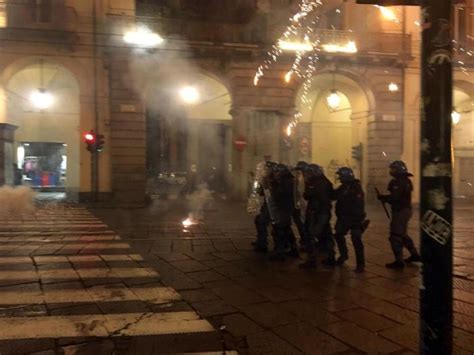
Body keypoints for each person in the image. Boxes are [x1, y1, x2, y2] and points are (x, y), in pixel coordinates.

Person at [377, 160, 421, 269]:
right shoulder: (405, 181)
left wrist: (384, 198)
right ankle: (415, 254)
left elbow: (394, 198)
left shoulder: (399, 182)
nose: (391, 171)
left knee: (395, 236)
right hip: (405, 210)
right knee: (402, 234)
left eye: (393, 169)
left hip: (400, 211)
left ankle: (399, 261)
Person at [331, 167, 369, 273]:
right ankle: (343, 255)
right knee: (338, 235)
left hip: (354, 218)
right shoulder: (343, 187)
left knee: (356, 240)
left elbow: (358, 205)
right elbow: (334, 195)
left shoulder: (356, 188)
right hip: (343, 217)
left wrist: (357, 220)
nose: (339, 178)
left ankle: (360, 264)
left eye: (341, 176)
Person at [299, 164, 335, 269]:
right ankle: (331, 257)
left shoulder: (316, 183)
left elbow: (308, 195)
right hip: (324, 212)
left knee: (311, 235)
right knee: (326, 235)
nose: (307, 175)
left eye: (308, 173)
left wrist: (307, 185)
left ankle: (312, 260)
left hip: (317, 212)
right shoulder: (325, 182)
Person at [269, 163, 298, 261]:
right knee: (286, 229)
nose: (275, 174)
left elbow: (280, 194)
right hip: (284, 208)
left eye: (277, 172)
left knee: (279, 230)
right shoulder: (286, 180)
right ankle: (293, 248)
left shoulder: (286, 181)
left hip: (284, 208)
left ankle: (280, 252)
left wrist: (274, 184)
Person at [252, 161, 277, 253]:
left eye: (265, 169)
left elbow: (272, 193)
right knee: (259, 220)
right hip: (268, 205)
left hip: (273, 206)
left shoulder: (274, 179)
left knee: (263, 222)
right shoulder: (266, 179)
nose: (263, 171)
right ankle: (261, 240)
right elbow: (262, 192)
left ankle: (263, 244)